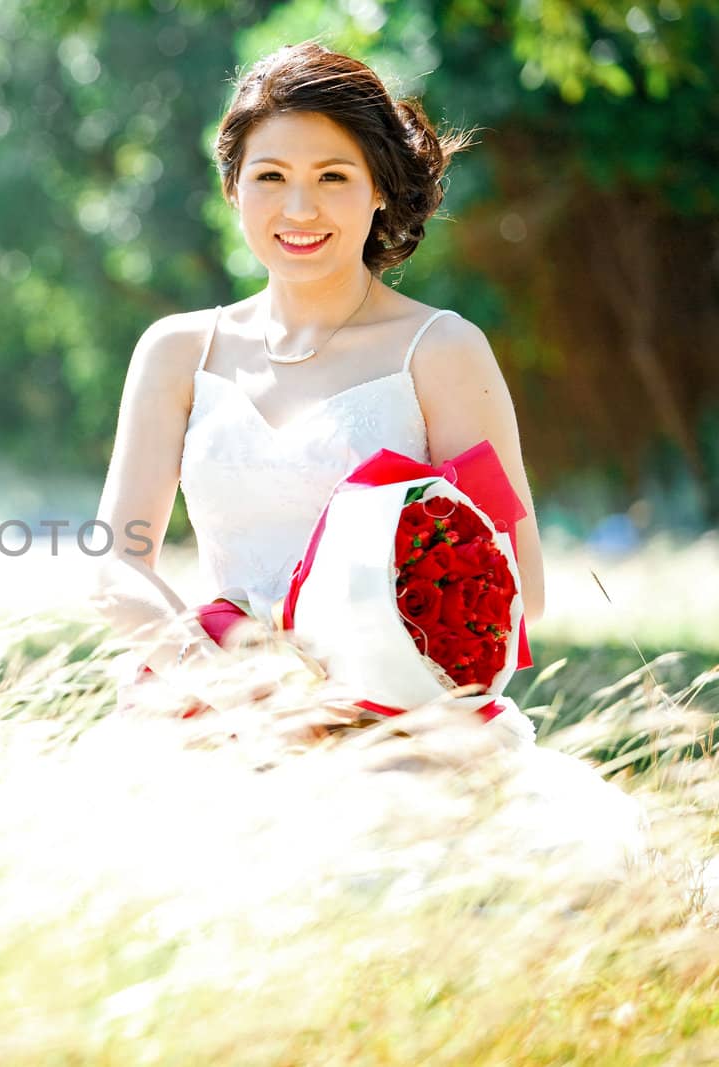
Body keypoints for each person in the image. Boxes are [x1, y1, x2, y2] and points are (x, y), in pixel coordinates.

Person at [87, 41, 648, 881]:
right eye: (270, 175)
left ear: (381, 186)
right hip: (219, 703)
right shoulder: (177, 352)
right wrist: (238, 682)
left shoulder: (440, 351)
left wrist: (365, 688)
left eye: (334, 177)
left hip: (398, 720)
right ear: (232, 186)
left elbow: (516, 575)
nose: (299, 207)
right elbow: (116, 559)